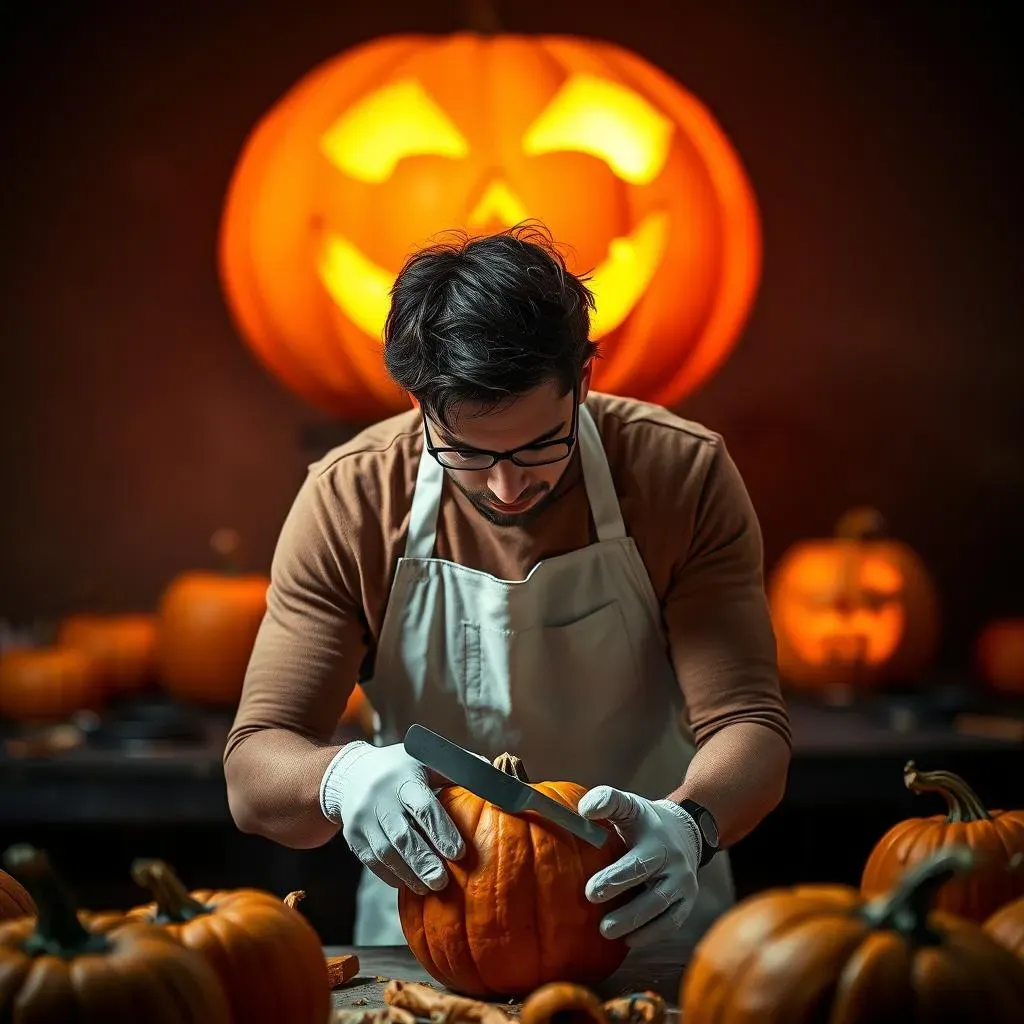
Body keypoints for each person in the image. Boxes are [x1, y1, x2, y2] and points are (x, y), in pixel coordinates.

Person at [224, 223, 791, 955]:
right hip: (433, 937)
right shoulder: (352, 499)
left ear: (583, 380)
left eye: (538, 445)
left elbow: (750, 726)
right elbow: (253, 771)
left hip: (651, 925)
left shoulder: (680, 476)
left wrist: (693, 822)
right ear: (417, 403)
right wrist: (342, 776)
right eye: (465, 451)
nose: (506, 485)